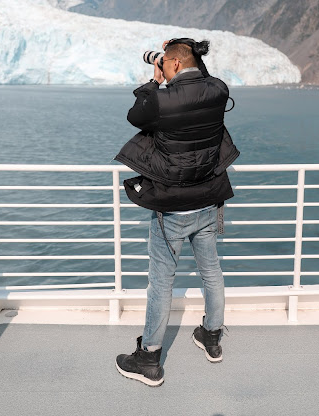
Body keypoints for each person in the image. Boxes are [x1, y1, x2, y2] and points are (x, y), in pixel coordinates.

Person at [114, 37, 240, 386]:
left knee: (161, 282)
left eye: (166, 64)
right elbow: (206, 79)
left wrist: (155, 81)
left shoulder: (161, 100)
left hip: (172, 207)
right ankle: (212, 337)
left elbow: (134, 115)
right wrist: (184, 54)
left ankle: (149, 358)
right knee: (211, 271)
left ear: (170, 64)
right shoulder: (217, 90)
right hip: (209, 199)